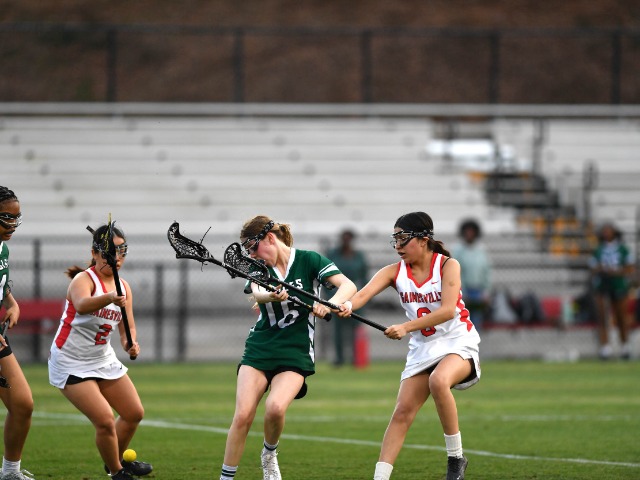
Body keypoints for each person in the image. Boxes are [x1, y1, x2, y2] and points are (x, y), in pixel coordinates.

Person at [337, 212, 481, 480]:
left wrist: (405, 327)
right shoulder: (393, 271)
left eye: (403, 238)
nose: (398, 245)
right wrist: (344, 305)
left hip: (457, 340)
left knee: (439, 380)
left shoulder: (448, 265)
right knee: (402, 412)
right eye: (395, 239)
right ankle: (380, 477)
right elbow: (362, 295)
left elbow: (448, 311)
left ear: (424, 239)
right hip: (423, 347)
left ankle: (456, 459)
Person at [219, 215, 356, 480]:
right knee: (243, 415)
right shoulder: (258, 267)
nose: (251, 254)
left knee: (275, 408)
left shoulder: (308, 260)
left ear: (270, 238)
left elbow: (347, 285)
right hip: (260, 347)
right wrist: (271, 295)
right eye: (247, 250)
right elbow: (257, 293)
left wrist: (328, 304)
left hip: (296, 350)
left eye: (253, 247)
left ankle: (269, 455)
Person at [47, 223, 152, 480]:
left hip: (102, 358)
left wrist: (129, 344)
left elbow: (127, 328)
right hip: (71, 361)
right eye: (110, 253)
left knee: (133, 413)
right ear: (95, 253)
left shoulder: (124, 287)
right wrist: (109, 298)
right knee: (105, 420)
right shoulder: (83, 280)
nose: (117, 258)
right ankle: (117, 472)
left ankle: (114, 459)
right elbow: (82, 305)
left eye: (121, 252)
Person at [0, 187, 36, 480]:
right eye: (6, 217)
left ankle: (10, 472)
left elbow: (1, 284)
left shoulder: (2, 248)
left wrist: (11, 302)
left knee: (22, 404)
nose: (12, 224)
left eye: (16, 218)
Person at [589, 222, 634, 360]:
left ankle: (625, 346)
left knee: (621, 317)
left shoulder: (623, 249)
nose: (606, 233)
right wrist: (601, 269)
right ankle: (605, 347)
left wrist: (615, 272)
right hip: (602, 285)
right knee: (603, 317)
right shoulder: (598, 250)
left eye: (608, 230)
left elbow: (630, 268)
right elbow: (592, 267)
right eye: (604, 230)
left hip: (618, 285)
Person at [324, 229, 369, 366]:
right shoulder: (333, 254)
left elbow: (364, 277)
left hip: (355, 296)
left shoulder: (359, 256)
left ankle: (356, 358)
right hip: (337, 295)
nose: (346, 241)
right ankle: (339, 359)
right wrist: (329, 296)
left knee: (356, 329)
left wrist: (366, 296)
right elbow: (326, 276)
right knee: (337, 331)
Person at [451, 219, 491, 329]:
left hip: (478, 290)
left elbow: (486, 270)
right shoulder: (458, 250)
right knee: (463, 321)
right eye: (467, 231)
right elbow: (456, 271)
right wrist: (461, 290)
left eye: (472, 231)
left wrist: (486, 290)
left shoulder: (481, 249)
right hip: (463, 290)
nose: (469, 234)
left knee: (477, 320)